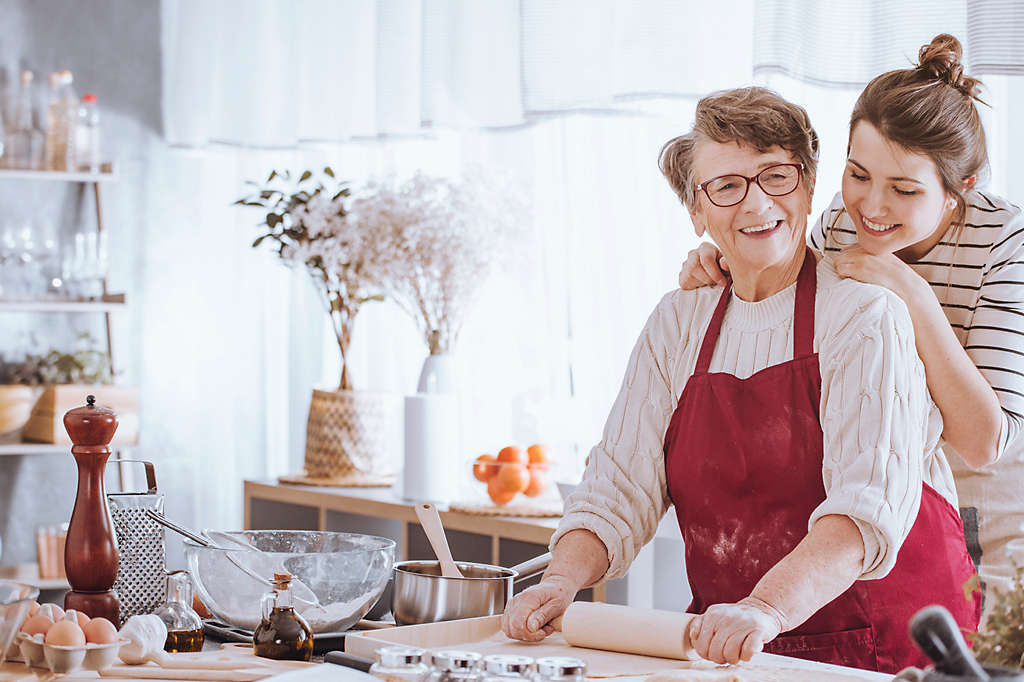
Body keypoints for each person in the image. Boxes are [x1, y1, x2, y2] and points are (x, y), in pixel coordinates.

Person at [502, 85, 979, 675]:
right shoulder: (677, 322)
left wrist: (765, 606)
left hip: (880, 650)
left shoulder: (864, 314)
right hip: (733, 647)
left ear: (808, 185)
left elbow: (865, 509)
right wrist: (561, 579)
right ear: (698, 212)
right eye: (726, 186)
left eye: (776, 175)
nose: (756, 206)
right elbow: (617, 490)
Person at [677, 34, 1024, 609]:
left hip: (984, 511)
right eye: (858, 174)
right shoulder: (843, 221)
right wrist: (727, 259)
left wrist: (912, 293)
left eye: (905, 189)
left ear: (960, 190)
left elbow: (985, 442)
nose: (872, 206)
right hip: (877, 503)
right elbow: (792, 299)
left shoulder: (1006, 244)